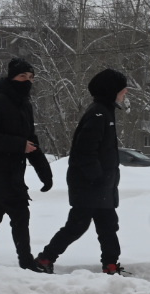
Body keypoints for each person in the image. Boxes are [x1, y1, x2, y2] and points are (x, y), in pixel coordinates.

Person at [36, 68, 128, 275]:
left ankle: (111, 264)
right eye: (123, 89)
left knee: (108, 225)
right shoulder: (98, 113)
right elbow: (85, 151)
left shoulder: (105, 111)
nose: (126, 92)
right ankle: (45, 259)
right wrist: (97, 178)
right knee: (77, 226)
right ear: (111, 90)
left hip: (100, 184)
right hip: (90, 185)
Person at [0, 58, 52, 270]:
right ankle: (24, 261)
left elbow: (31, 141)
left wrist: (44, 171)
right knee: (18, 214)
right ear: (11, 77)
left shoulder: (25, 106)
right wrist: (18, 145)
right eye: (22, 76)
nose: (27, 81)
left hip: (13, 171)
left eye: (31, 77)